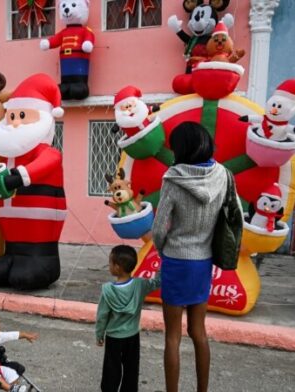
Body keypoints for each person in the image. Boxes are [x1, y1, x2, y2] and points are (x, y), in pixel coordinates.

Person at [151, 122, 240, 392]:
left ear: (180, 148)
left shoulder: (172, 178)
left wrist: (164, 249)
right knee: (199, 333)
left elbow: (158, 228)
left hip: (177, 262)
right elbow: (233, 216)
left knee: (173, 337)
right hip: (203, 262)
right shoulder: (224, 175)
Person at [95, 245, 161, 392]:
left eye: (110, 263)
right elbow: (157, 282)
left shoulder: (108, 290)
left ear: (117, 267)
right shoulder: (140, 285)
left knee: (111, 369)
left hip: (113, 337)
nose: (109, 265)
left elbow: (102, 316)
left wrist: (99, 334)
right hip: (132, 336)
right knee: (131, 369)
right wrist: (162, 264)